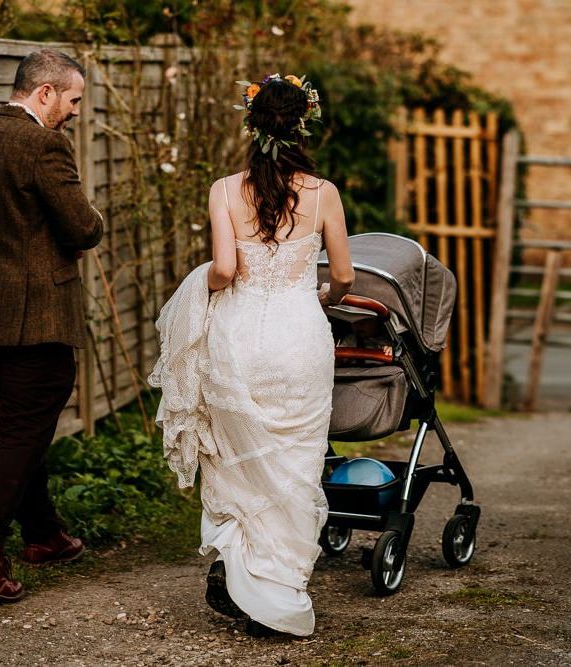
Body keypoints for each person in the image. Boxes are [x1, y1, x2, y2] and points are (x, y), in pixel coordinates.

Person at [150, 73, 354, 637]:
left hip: (240, 338)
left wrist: (200, 291)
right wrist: (323, 297)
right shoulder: (324, 193)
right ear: (303, 124)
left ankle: (241, 573)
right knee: (294, 462)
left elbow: (223, 270)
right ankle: (280, 587)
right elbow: (342, 275)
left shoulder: (223, 190)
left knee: (239, 456)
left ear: (250, 123)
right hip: (300, 336)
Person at [0, 49, 103, 604]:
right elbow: (81, 227)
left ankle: (44, 535)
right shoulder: (44, 144)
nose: (75, 111)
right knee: (26, 432)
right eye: (73, 99)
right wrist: (84, 225)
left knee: (23, 428)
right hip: (37, 316)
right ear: (45, 92)